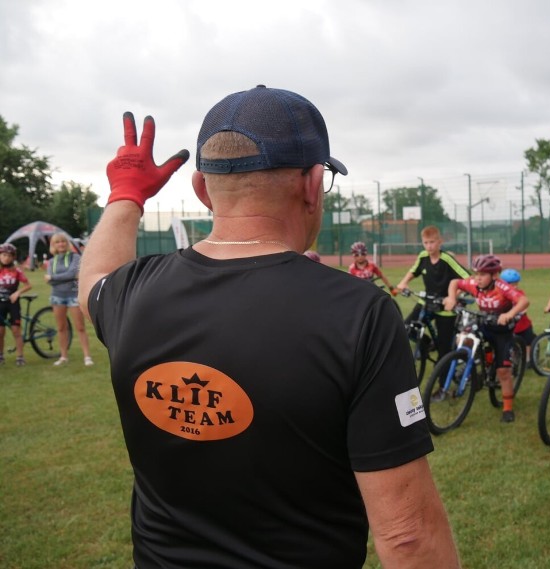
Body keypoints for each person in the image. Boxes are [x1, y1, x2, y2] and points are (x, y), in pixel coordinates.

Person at [79, 85, 459, 568]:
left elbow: (95, 277)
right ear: (313, 184)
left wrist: (126, 195)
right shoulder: (359, 314)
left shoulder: (130, 293)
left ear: (202, 190)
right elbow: (408, 536)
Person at [444, 255, 529, 423]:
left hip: (502, 330)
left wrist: (509, 314)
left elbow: (523, 300)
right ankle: (474, 370)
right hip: (484, 323)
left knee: (503, 371)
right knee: (464, 339)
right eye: (476, 274)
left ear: (495, 275)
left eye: (482, 274)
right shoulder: (474, 284)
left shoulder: (502, 287)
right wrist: (452, 298)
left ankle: (507, 408)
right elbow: (455, 282)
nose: (477, 278)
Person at [396, 226, 470, 359]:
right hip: (426, 301)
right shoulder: (423, 256)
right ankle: (428, 344)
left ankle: (444, 377)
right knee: (406, 328)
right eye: (426, 243)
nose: (429, 246)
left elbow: (468, 279)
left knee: (444, 350)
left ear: (439, 242)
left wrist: (452, 297)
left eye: (432, 242)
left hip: (446, 306)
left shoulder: (447, 259)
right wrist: (404, 282)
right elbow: (414, 270)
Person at [45, 233, 94, 366]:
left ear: (67, 244)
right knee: (61, 328)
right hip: (57, 296)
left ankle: (87, 356)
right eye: (57, 242)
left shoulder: (75, 257)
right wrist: (60, 278)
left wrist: (54, 278)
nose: (61, 244)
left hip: (72, 296)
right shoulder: (50, 261)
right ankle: (63, 356)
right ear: (53, 245)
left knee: (80, 327)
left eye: (63, 242)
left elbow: (72, 273)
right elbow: (49, 280)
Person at [0, 243, 32, 366]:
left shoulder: (16, 270)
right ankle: (1, 355)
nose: (6, 258)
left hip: (13, 303)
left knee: (16, 330)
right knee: (0, 331)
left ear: (13, 257)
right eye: (3, 255)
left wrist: (18, 292)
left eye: (9, 255)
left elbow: (28, 285)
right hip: (1, 304)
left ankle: (20, 356)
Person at [499, 268, 535, 363]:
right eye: (512, 284)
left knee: (528, 340)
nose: (515, 287)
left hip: (523, 324)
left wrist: (520, 311)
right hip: (511, 325)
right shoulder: (500, 295)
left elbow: (524, 305)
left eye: (516, 284)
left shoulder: (520, 293)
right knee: (510, 343)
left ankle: (528, 359)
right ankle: (513, 359)